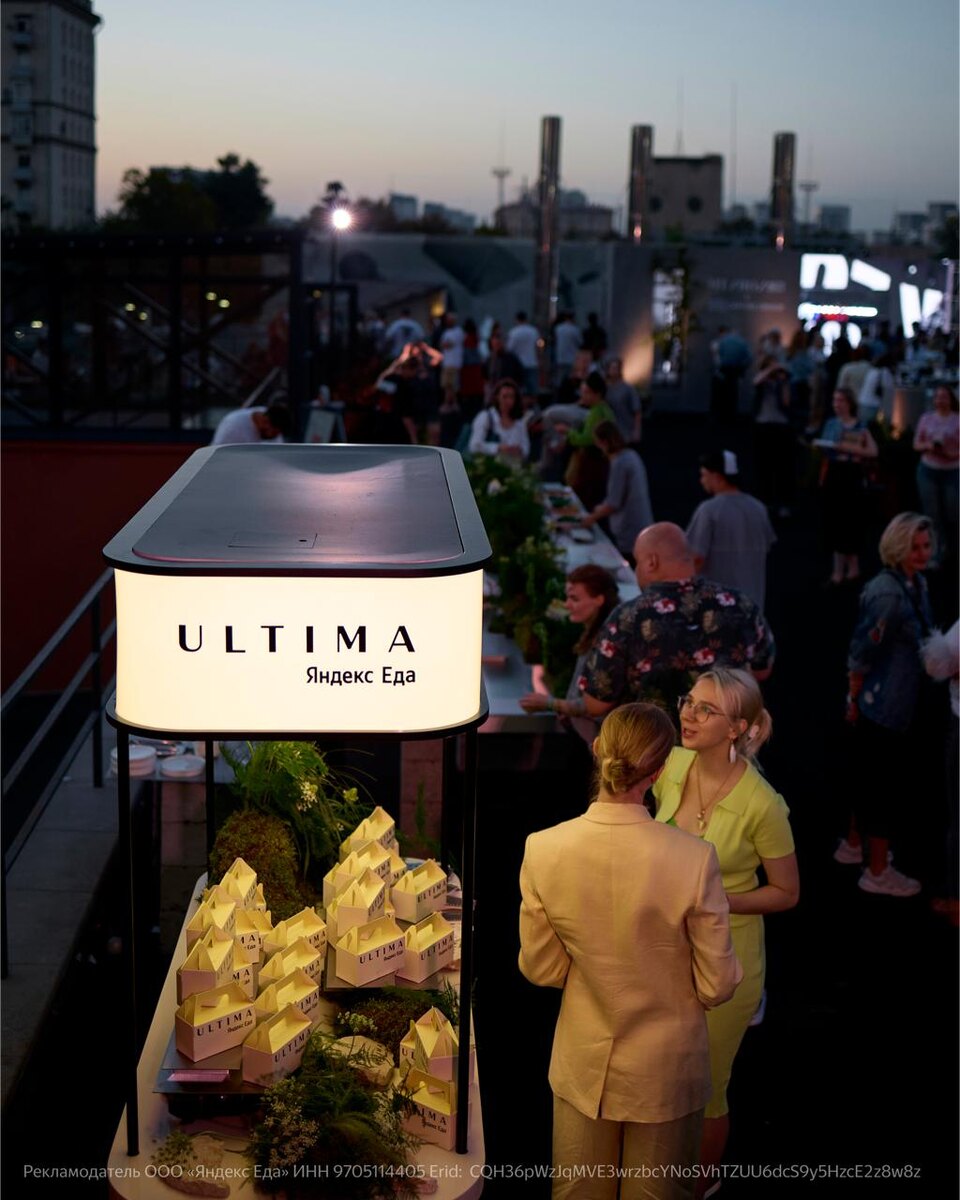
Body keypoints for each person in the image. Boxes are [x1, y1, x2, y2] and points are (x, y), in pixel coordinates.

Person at [519, 703, 743, 1200]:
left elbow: (540, 968)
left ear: (597, 749)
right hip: (668, 1068)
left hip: (583, 1064)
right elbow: (718, 984)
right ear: (659, 771)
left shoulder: (543, 848)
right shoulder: (694, 859)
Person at [653, 669, 799, 1195]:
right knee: (663, 1073)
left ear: (737, 728)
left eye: (705, 709)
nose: (688, 715)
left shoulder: (764, 804)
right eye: (688, 702)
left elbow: (786, 892)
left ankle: (700, 1187)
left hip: (726, 959)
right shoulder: (671, 764)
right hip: (665, 950)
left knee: (707, 1087)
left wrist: (715, 900)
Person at [580, 523, 775, 721]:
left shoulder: (627, 617)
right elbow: (762, 670)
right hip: (724, 736)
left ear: (651, 562)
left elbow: (596, 703)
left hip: (655, 737)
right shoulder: (741, 604)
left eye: (637, 562)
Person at [837, 513, 936, 896]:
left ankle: (853, 846)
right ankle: (877, 871)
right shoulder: (889, 594)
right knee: (881, 786)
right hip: (882, 704)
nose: (923, 553)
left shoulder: (915, 582)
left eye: (926, 545)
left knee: (868, 777)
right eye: (914, 547)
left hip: (893, 699)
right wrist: (853, 698)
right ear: (897, 547)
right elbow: (861, 650)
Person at [519, 564, 620, 734]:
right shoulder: (594, 632)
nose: (567, 605)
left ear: (599, 600)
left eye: (575, 599)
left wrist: (550, 703)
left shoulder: (607, 644)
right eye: (567, 598)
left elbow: (596, 704)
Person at [686, 450, 776, 611]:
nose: (702, 480)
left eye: (704, 475)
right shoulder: (759, 508)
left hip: (718, 608)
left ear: (717, 477)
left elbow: (696, 558)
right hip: (753, 605)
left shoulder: (709, 510)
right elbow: (767, 546)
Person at [816, 387, 878, 585]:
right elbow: (826, 448)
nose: (837, 404)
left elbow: (873, 451)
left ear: (849, 402)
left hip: (852, 475)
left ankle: (853, 568)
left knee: (851, 521)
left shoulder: (861, 426)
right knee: (834, 520)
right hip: (835, 473)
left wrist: (847, 448)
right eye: (835, 400)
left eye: (841, 400)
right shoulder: (831, 424)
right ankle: (838, 570)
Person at [581, 421, 654, 562]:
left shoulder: (620, 463)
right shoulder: (631, 455)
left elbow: (613, 503)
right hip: (642, 526)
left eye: (597, 442)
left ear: (604, 442)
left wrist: (590, 518)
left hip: (630, 529)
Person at [554, 371, 616, 511]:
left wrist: (567, 431)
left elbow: (586, 439)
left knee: (583, 503)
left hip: (591, 464)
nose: (583, 396)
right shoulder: (605, 409)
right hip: (600, 463)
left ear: (597, 394)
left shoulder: (597, 412)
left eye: (587, 392)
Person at [912, 385, 959, 568]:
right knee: (932, 513)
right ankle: (935, 551)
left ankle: (952, 549)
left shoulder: (957, 420)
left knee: (952, 512)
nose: (940, 400)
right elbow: (917, 443)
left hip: (952, 471)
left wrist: (951, 453)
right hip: (929, 469)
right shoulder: (926, 418)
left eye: (944, 397)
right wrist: (928, 446)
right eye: (937, 397)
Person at [751, 355, 794, 518]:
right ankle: (765, 501)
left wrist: (783, 382)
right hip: (763, 425)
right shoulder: (762, 382)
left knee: (782, 465)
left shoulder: (783, 382)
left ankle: (783, 502)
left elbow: (787, 402)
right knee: (763, 464)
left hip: (781, 425)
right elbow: (756, 381)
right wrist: (771, 370)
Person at [467, 378, 530, 462]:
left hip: (514, 465)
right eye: (505, 396)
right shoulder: (485, 417)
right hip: (489, 465)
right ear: (497, 397)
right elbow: (474, 446)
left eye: (511, 397)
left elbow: (526, 447)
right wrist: (498, 448)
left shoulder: (519, 421)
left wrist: (518, 450)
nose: (508, 401)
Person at [710, 326, 751, 426]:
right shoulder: (740, 343)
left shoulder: (720, 343)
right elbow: (748, 358)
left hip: (723, 373)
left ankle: (722, 420)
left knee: (723, 398)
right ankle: (727, 419)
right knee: (728, 397)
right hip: (729, 373)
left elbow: (718, 360)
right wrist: (740, 368)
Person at [210, 402, 292, 446]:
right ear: (265, 421)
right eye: (274, 432)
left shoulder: (271, 418)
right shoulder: (233, 427)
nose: (275, 436)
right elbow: (217, 456)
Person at [604, 357, 643, 446]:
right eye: (612, 368)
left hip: (625, 429)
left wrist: (637, 430)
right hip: (609, 430)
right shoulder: (604, 388)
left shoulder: (628, 388)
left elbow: (637, 411)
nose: (614, 371)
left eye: (616, 368)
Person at [505, 311, 541, 398]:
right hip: (532, 362)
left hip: (518, 364)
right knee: (532, 388)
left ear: (517, 320)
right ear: (526, 319)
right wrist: (539, 359)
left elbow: (509, 349)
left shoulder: (513, 332)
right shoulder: (533, 331)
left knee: (519, 389)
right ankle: (534, 404)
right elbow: (538, 346)